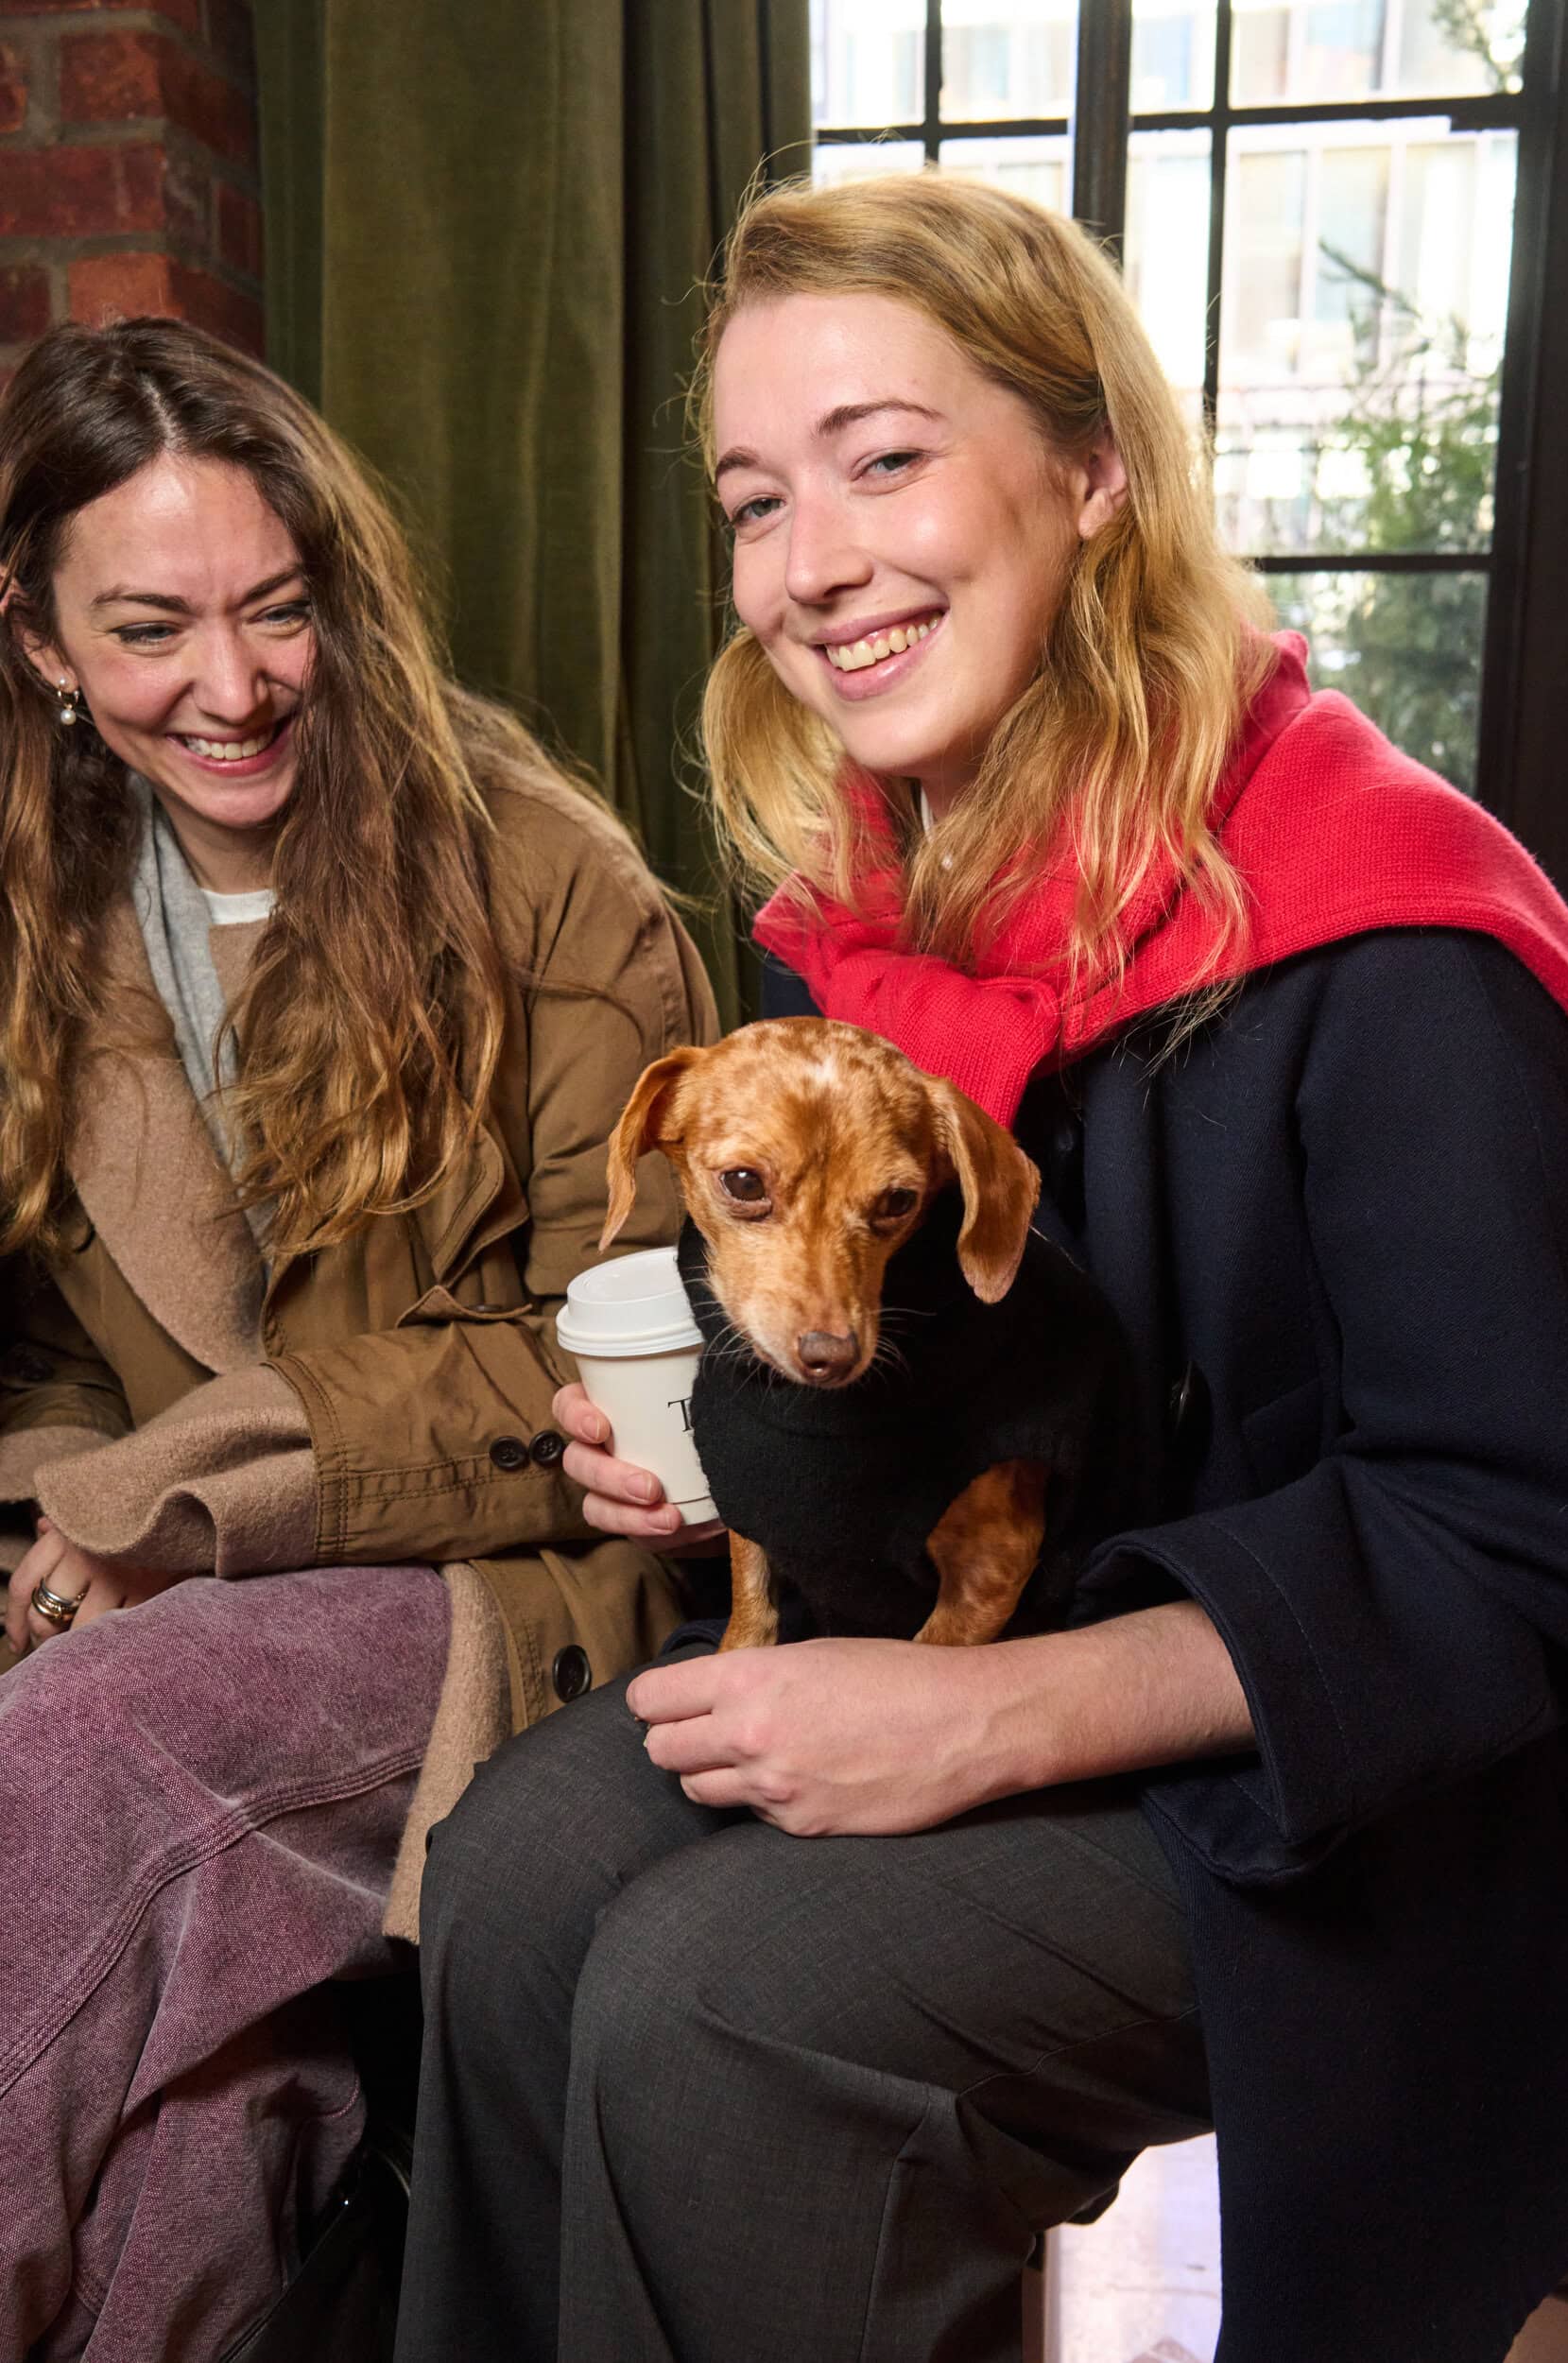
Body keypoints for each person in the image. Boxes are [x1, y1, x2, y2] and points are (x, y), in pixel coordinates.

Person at [394, 174, 1568, 2363]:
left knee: (722, 2004)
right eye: (754, 498)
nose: (804, 561)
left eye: (882, 457)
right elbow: (940, 1377)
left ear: (1091, 470)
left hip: (1324, 1777)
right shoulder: (840, 939)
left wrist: (980, 1713)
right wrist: (725, 1446)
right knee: (520, 1882)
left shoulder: (1392, 933)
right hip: (969, 1617)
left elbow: (1512, 1542)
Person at [0, 315, 715, 2361]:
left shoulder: (547, 883)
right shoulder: (32, 904)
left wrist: (201, 1501)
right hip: (145, 1574)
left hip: (507, 1573)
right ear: (43, 644)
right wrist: (75, 1510)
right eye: (148, 628)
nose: (230, 688)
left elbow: (625, 1355)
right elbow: (45, 1331)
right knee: (204, 2103)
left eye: (276, 609)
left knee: (94, 1748)